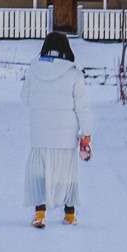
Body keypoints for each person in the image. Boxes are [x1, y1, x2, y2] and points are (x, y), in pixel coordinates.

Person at [22, 31, 92, 228]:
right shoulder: (73, 72)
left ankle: (39, 214)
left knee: (39, 173)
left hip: (40, 134)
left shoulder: (33, 69)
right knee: (67, 174)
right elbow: (82, 106)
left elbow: (24, 99)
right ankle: (70, 215)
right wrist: (86, 132)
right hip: (65, 134)